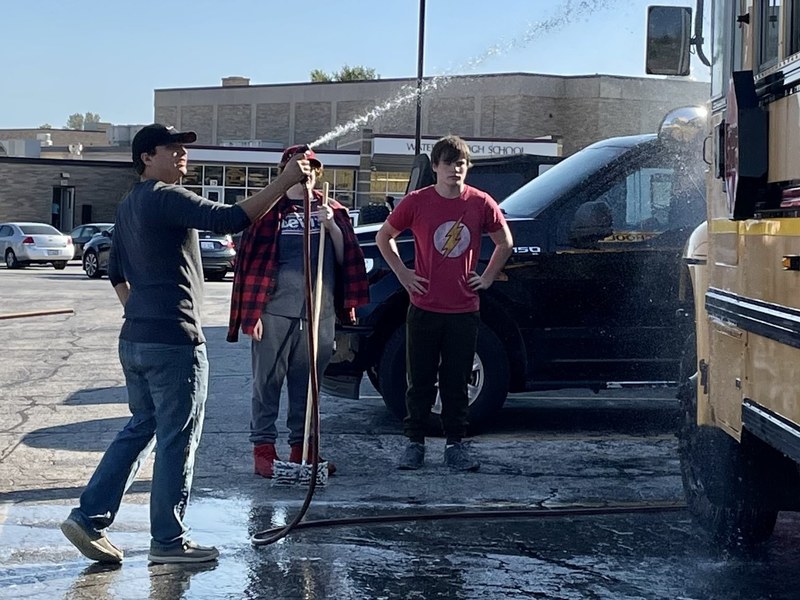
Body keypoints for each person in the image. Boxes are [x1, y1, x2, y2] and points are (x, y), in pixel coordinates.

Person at [60, 124, 311, 565]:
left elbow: (116, 272)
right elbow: (230, 219)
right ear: (145, 158)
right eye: (172, 149)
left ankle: (88, 517)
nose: (182, 155)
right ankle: (169, 542)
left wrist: (141, 312)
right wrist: (286, 181)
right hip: (175, 342)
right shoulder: (164, 196)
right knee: (178, 438)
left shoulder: (129, 205)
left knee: (142, 428)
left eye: (183, 149)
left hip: (137, 339)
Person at [227, 145, 369, 479]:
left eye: (313, 168)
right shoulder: (267, 211)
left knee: (308, 387)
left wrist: (332, 227)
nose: (308, 173)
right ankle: (264, 450)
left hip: (318, 312)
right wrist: (253, 316)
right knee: (267, 383)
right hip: (274, 311)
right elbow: (248, 266)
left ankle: (303, 450)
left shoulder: (331, 208)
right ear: (286, 170)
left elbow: (347, 259)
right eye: (300, 167)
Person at [375, 135, 513, 472]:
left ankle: (456, 445)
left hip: (463, 310)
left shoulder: (480, 203)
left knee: (457, 380)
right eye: (449, 163)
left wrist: (488, 276)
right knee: (419, 379)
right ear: (435, 167)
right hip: (424, 306)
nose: (455, 169)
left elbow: (505, 242)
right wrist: (404, 275)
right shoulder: (417, 202)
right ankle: (414, 444)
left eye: (461, 163)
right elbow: (384, 237)